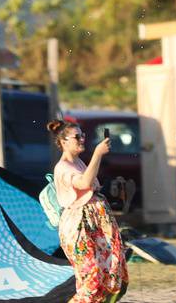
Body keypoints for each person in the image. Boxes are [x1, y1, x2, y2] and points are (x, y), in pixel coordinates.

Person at [49, 118, 127, 303]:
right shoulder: (63, 167)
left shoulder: (78, 163)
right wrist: (98, 154)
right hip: (78, 229)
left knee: (106, 276)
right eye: (77, 136)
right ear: (63, 142)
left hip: (93, 226)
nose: (82, 139)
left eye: (82, 135)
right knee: (91, 280)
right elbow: (84, 183)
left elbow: (91, 184)